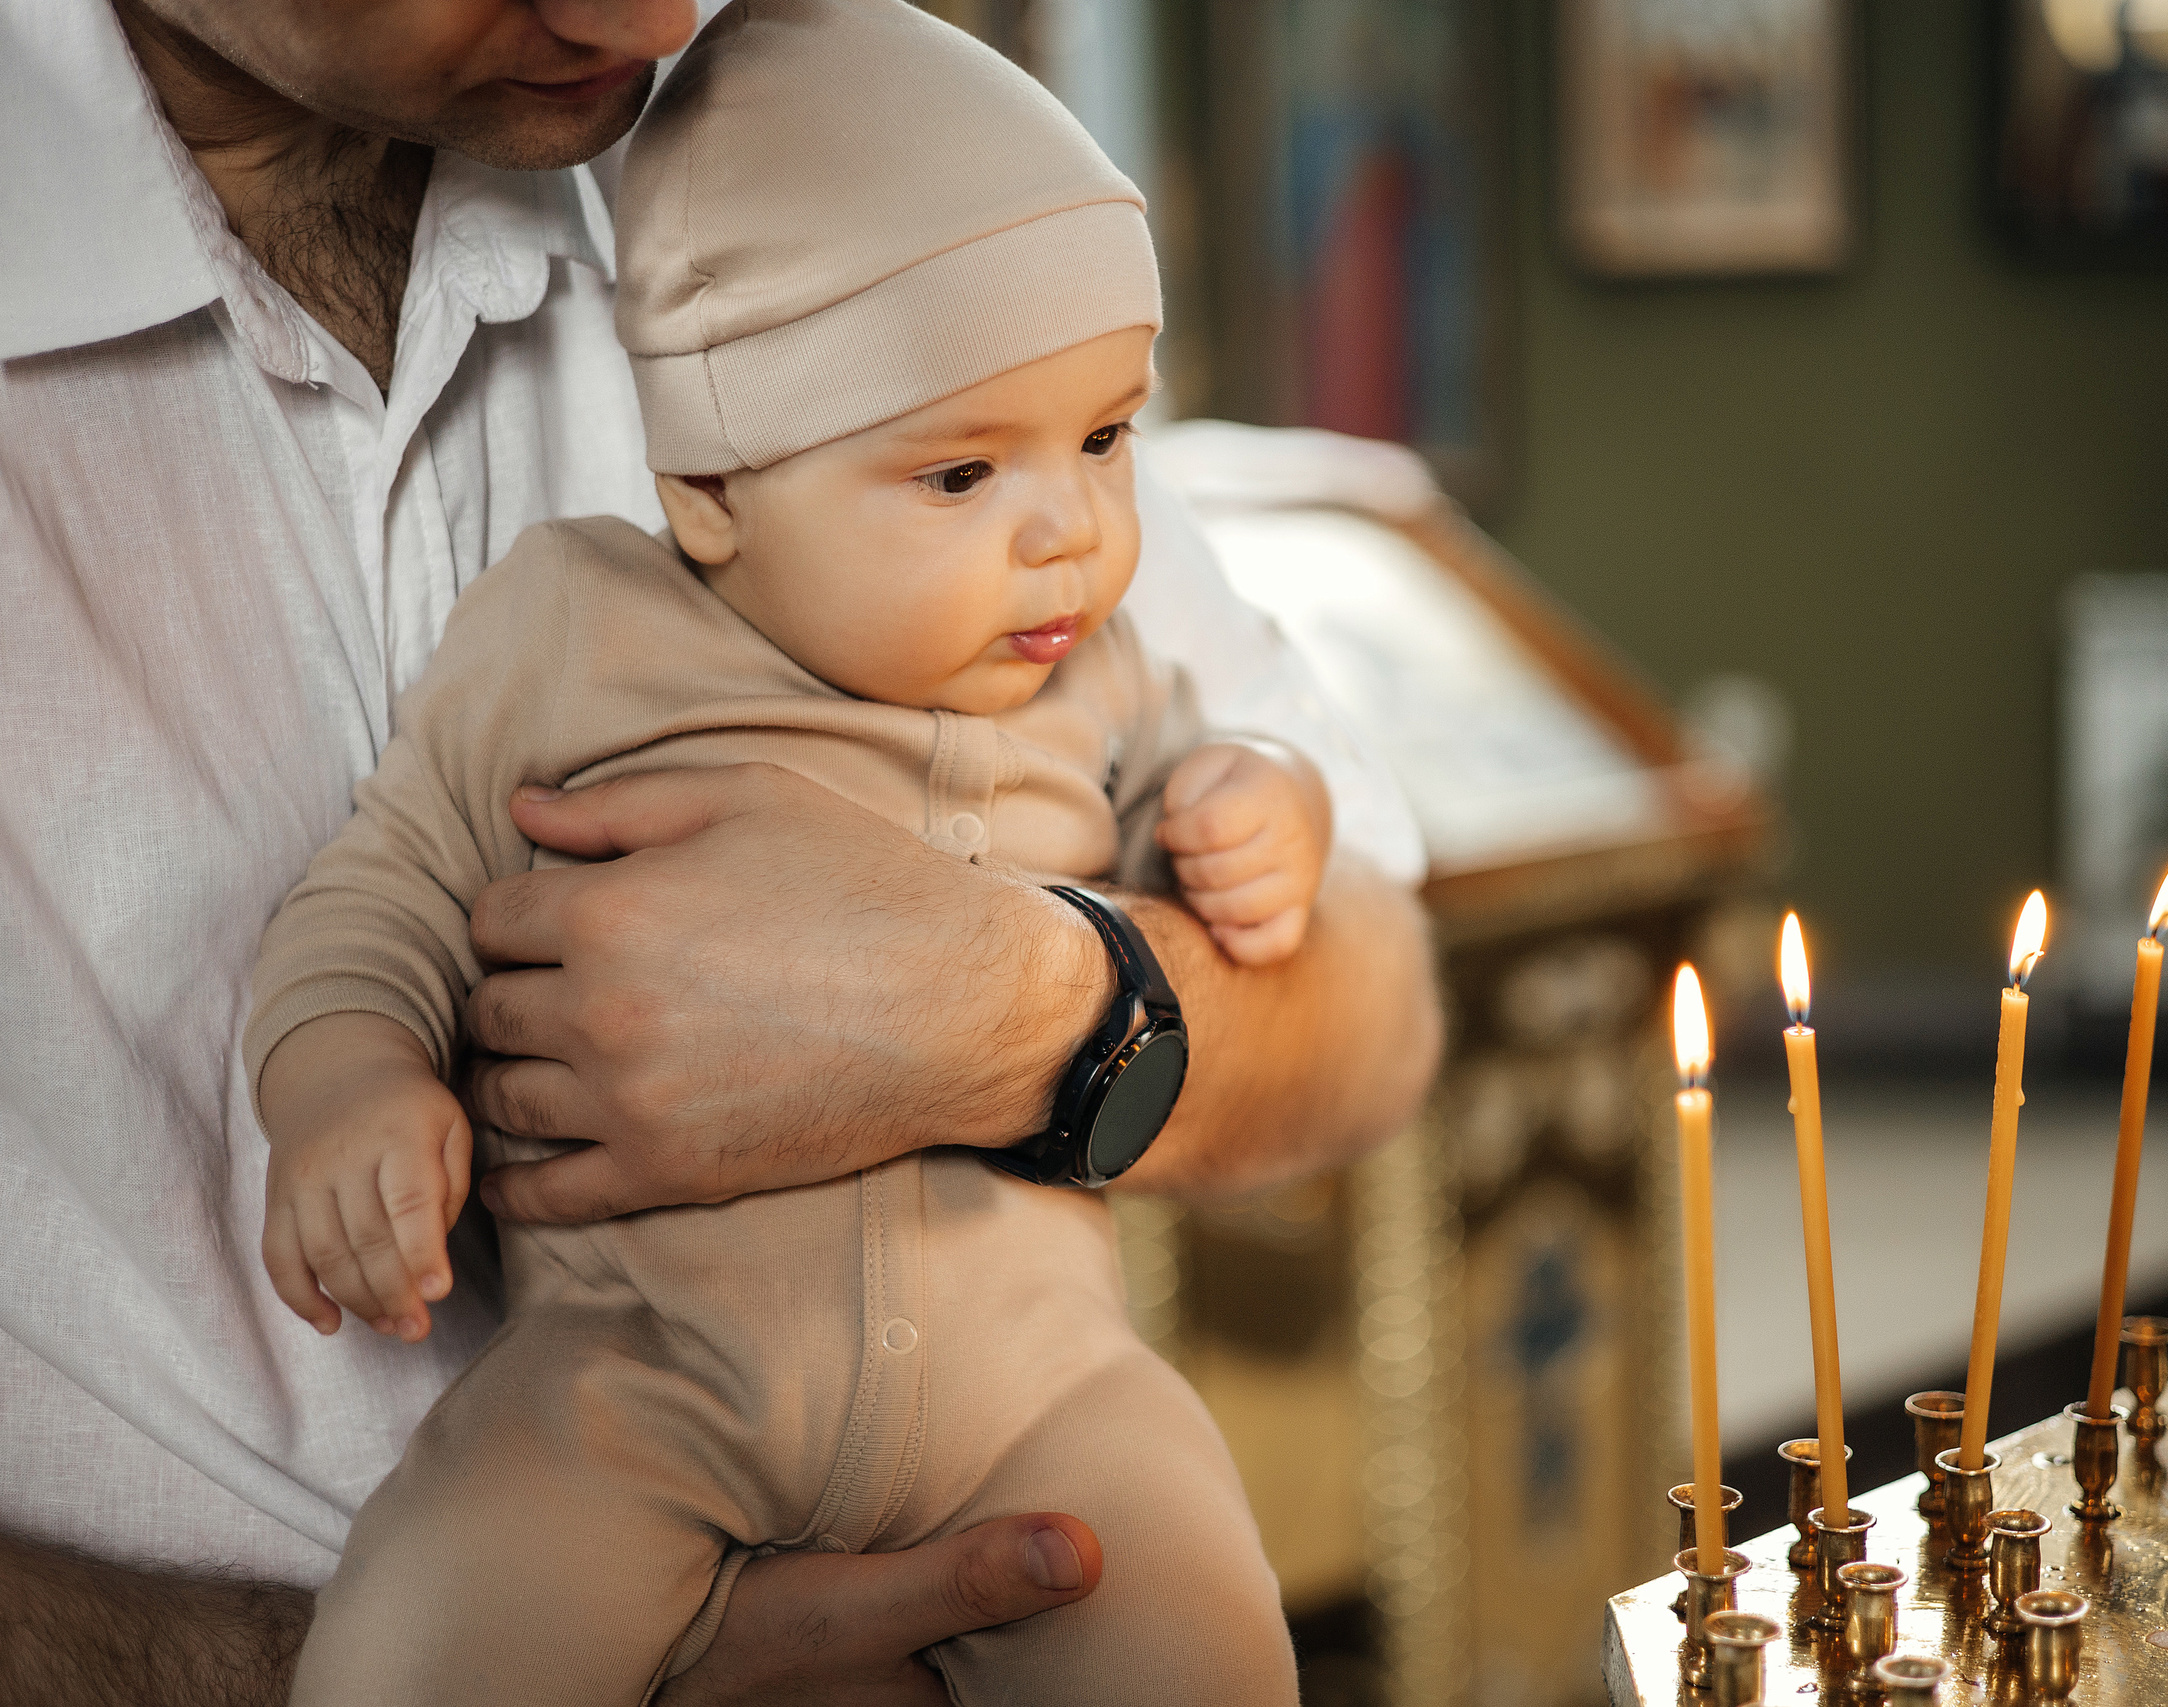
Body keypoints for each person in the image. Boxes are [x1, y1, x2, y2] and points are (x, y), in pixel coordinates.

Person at [0, 0, 1442, 1700]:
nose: (656, 17)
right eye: (961, 475)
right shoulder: (574, 628)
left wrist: (1085, 953)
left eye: (1108, 441)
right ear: (707, 498)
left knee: (1198, 1623)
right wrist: (345, 1082)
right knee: (440, 1633)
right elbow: (378, 901)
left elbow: (1371, 996)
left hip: (1041, 1396)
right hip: (639, 1393)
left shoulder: (1006, 475)